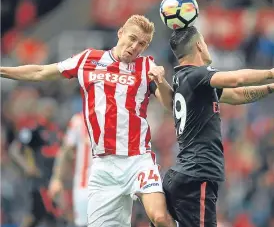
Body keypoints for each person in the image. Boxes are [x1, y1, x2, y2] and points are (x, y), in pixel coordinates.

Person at [1, 15, 177, 227]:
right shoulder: (88, 60)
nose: (135, 47)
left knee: (159, 217)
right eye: (132, 38)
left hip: (137, 159)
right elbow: (40, 71)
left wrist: (161, 80)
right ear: (120, 32)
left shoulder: (146, 66)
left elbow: (169, 104)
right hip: (103, 167)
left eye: (142, 44)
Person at [162, 26, 274, 227]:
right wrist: (272, 73)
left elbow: (237, 95)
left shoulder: (185, 80)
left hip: (183, 174)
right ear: (199, 46)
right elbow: (237, 80)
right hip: (197, 174)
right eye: (204, 41)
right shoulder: (197, 74)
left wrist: (271, 88)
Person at [8, 98, 64, 227]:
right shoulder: (32, 130)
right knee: (43, 213)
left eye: (51, 110)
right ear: (40, 111)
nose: (49, 113)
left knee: (40, 215)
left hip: (53, 178)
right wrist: (27, 167)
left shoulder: (56, 130)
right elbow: (15, 150)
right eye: (46, 110)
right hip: (39, 180)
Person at [49, 112, 91, 227]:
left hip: (113, 186)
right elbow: (66, 150)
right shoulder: (79, 120)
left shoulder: (121, 114)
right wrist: (57, 178)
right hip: (85, 186)